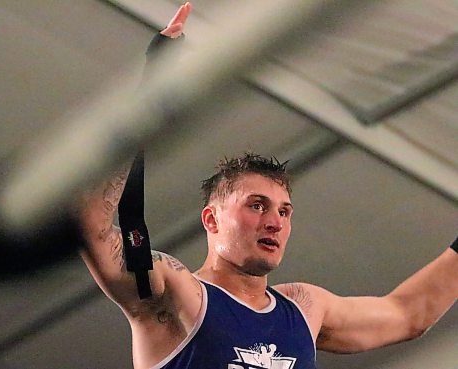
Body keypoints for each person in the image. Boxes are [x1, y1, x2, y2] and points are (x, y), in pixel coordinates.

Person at [79, 3, 457, 369]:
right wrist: (152, 86)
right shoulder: (177, 296)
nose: (275, 221)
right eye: (257, 205)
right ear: (211, 219)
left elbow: (408, 313)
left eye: (284, 210)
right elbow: (91, 224)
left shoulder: (306, 309)